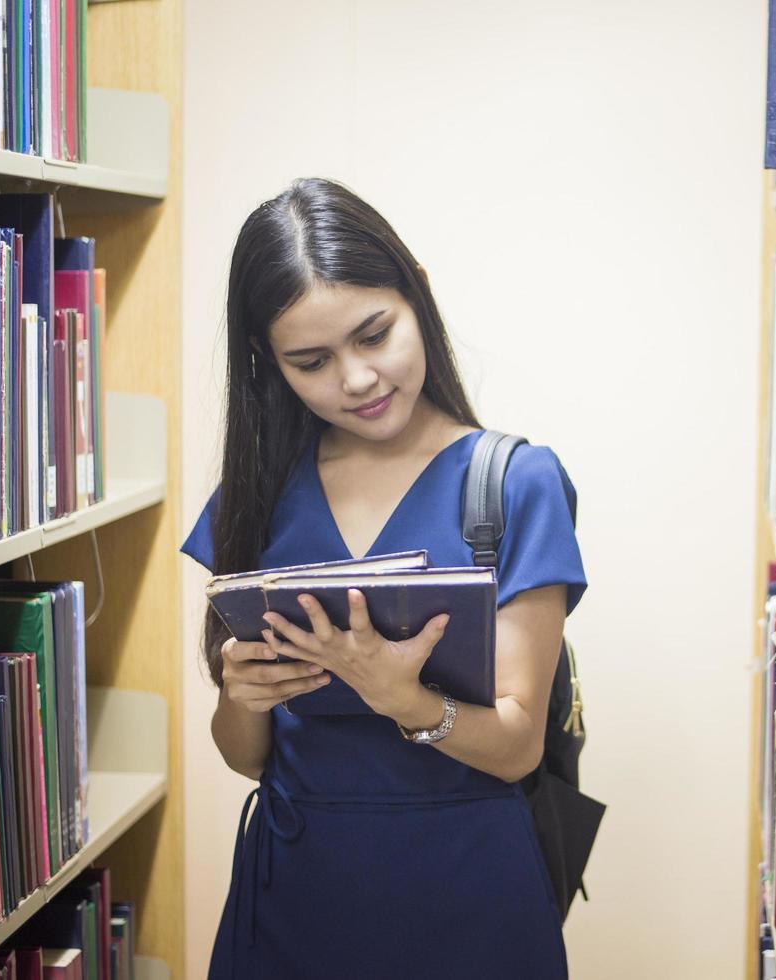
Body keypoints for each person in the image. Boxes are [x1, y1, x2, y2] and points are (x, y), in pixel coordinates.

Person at [181, 177, 586, 980]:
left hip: (471, 893)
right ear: (269, 361)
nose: (357, 379)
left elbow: (516, 749)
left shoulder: (512, 483)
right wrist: (242, 696)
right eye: (312, 360)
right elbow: (246, 757)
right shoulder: (257, 495)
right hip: (294, 892)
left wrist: (400, 696)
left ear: (419, 297)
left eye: (375, 335)